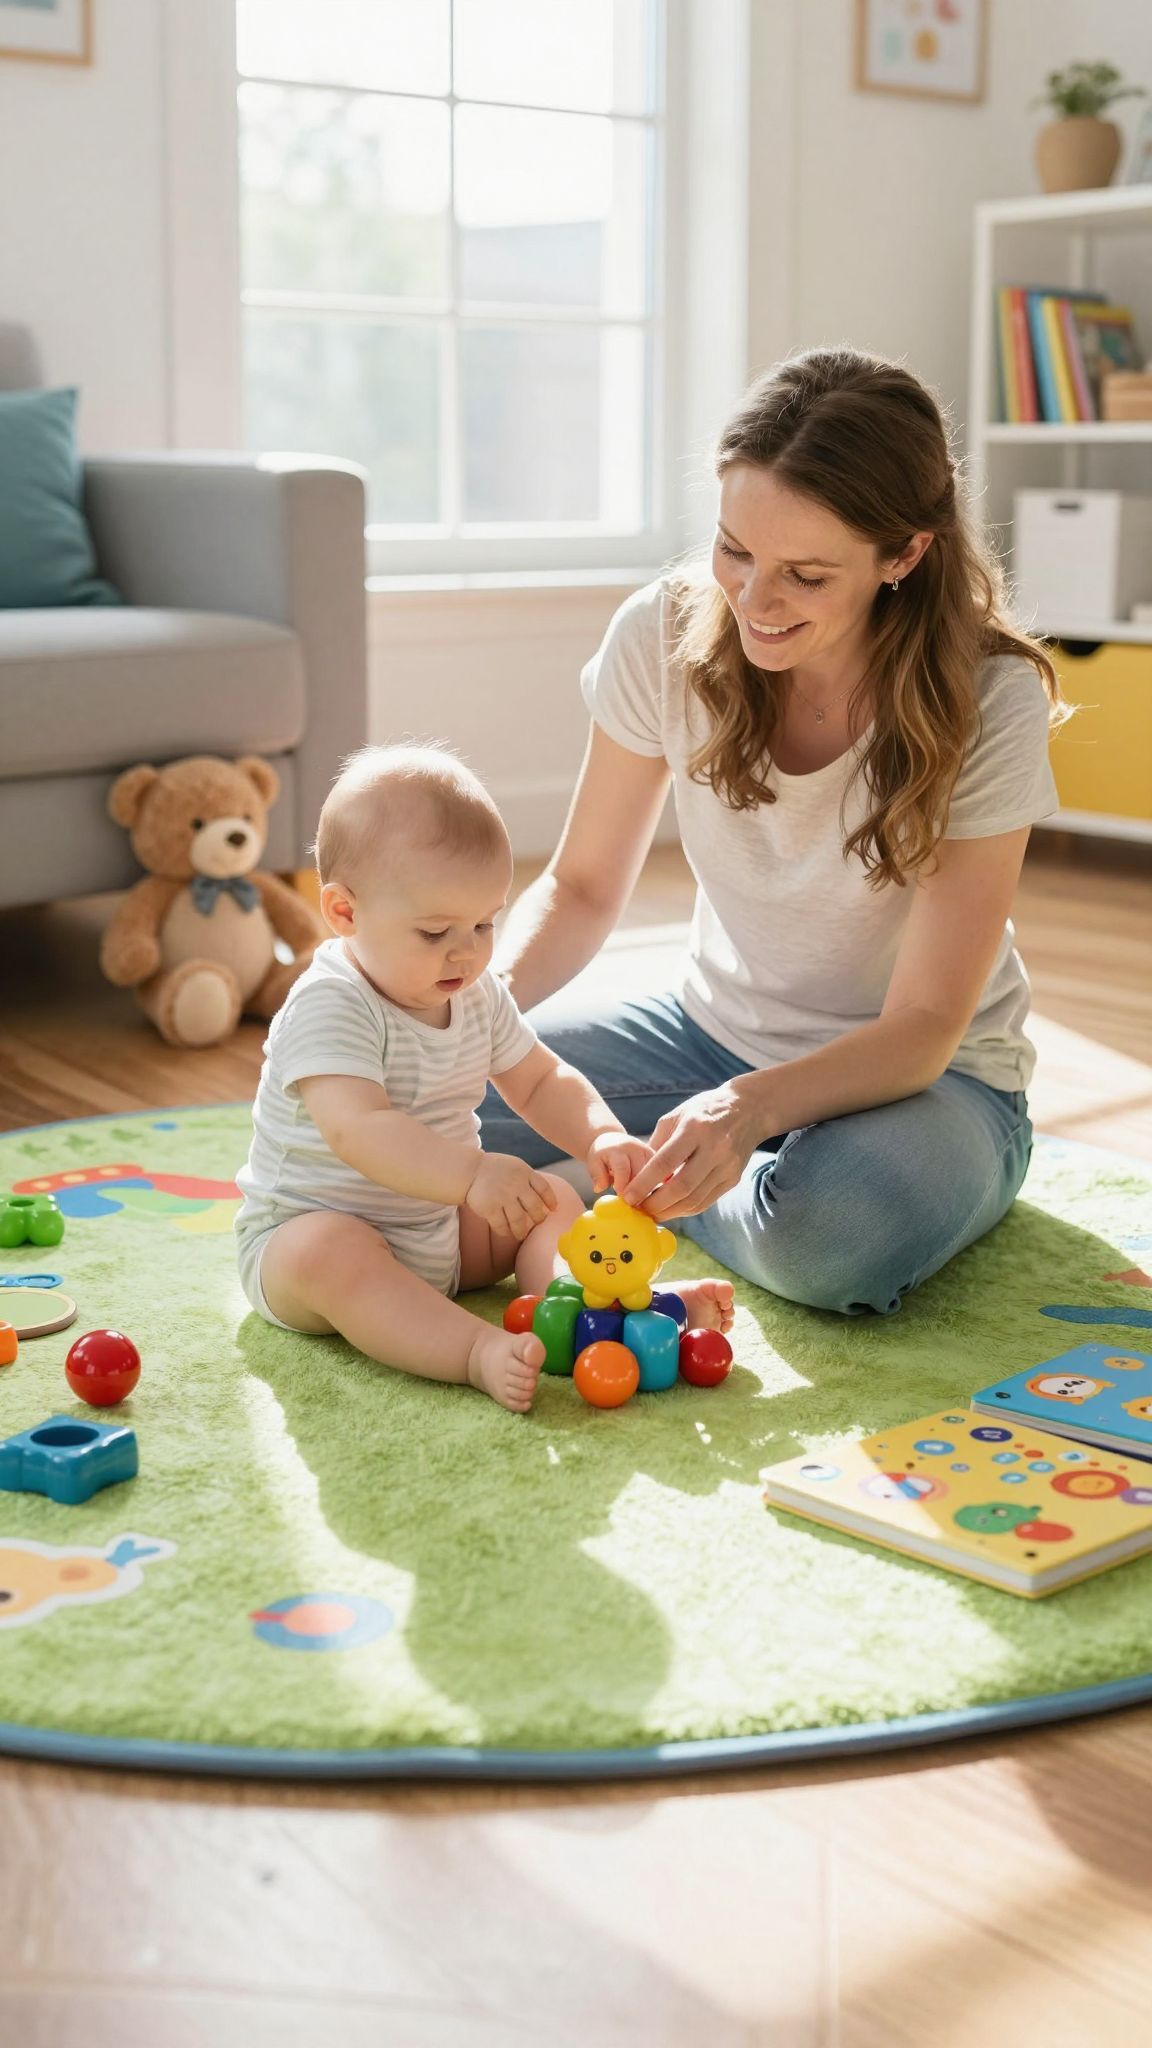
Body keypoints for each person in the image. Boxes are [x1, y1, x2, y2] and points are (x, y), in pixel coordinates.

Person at [482, 347, 1066, 1317]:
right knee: (442, 1103)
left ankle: (647, 1184)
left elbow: (922, 1028)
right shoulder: (661, 634)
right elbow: (582, 889)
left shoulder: (986, 697)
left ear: (905, 555)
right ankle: (687, 1170)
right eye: (734, 550)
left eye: (803, 573)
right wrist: (471, 1019)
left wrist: (745, 1110)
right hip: (705, 1035)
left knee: (826, 1236)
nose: (753, 599)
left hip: (934, 1082)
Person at [235, 745, 734, 1412]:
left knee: (552, 1197)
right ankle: (473, 1351)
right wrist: (472, 1177)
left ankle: (584, 1315)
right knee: (331, 1251)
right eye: (436, 930)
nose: (466, 951)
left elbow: (538, 1079)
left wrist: (600, 1137)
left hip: (439, 1231)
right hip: (309, 1240)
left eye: (483, 923)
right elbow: (360, 1131)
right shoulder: (332, 1003)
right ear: (345, 913)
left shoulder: (475, 993)